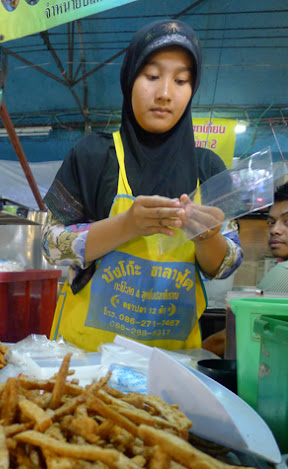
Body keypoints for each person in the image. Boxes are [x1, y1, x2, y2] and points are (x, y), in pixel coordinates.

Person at [42, 20, 242, 352]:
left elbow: (227, 263)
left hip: (171, 362)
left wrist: (208, 238)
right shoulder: (93, 156)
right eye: (151, 76)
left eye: (181, 80)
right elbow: (50, 245)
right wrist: (127, 225)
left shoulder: (208, 169)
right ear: (129, 78)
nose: (165, 93)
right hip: (86, 361)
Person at [202, 179, 288, 357]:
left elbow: (229, 339)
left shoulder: (283, 273)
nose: (275, 230)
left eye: (287, 222)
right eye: (271, 222)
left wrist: (187, 359)